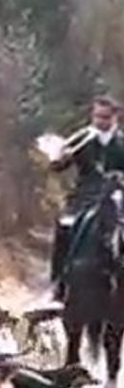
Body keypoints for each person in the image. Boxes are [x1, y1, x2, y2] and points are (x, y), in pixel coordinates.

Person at [48, 94, 124, 302]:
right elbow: (57, 166)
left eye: (105, 117)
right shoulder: (82, 137)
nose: (100, 122)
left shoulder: (121, 142)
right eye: (97, 116)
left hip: (116, 197)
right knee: (64, 228)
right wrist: (60, 156)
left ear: (115, 118)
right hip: (84, 197)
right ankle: (59, 284)